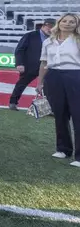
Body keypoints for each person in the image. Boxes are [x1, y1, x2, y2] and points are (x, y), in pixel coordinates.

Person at [36, 13, 80, 168]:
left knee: (78, 114)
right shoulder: (49, 41)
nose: (67, 24)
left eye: (72, 22)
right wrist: (40, 82)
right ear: (59, 22)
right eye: (64, 21)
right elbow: (44, 63)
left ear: (76, 25)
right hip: (53, 76)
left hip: (75, 75)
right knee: (59, 113)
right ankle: (63, 149)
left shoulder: (78, 40)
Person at [8, 19, 55, 110]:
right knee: (21, 84)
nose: (50, 30)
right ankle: (13, 102)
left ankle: (48, 108)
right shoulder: (30, 35)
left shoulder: (53, 38)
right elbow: (20, 50)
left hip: (46, 66)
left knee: (48, 87)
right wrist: (19, 63)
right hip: (30, 66)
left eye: (53, 28)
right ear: (43, 26)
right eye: (49, 27)